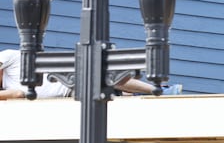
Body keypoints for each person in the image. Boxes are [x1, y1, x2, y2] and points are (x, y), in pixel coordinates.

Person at [0, 49, 182, 100]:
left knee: (106, 77)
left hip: (69, 77)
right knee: (114, 95)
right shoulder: (7, 87)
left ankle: (158, 90)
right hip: (68, 95)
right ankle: (153, 93)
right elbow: (18, 94)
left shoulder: (5, 57)